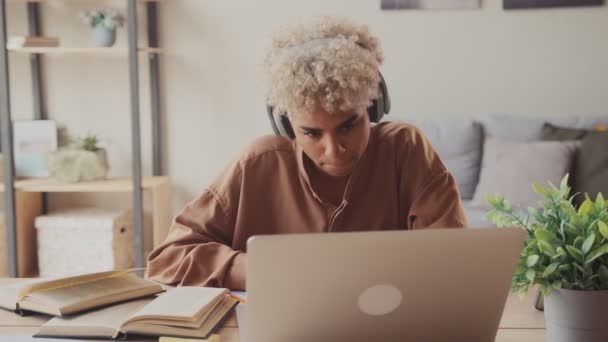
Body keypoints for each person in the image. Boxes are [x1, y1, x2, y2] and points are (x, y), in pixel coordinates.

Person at [146, 17, 468, 291]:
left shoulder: (406, 150)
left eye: (349, 125)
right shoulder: (257, 163)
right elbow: (167, 259)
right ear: (285, 125)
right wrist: (268, 273)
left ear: (373, 106)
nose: (334, 150)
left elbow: (455, 262)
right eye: (311, 133)